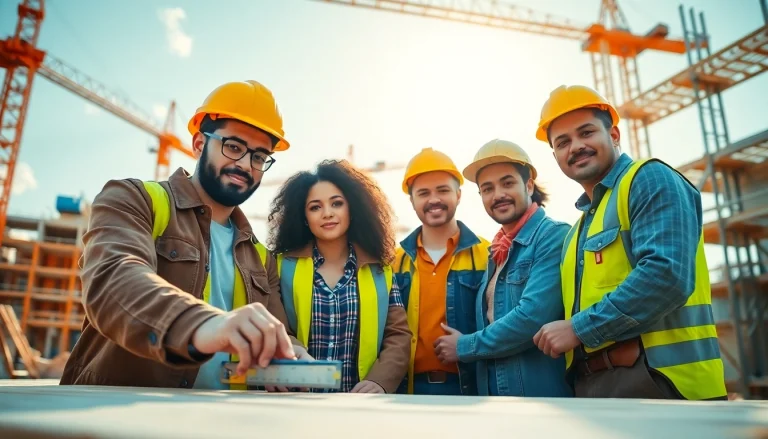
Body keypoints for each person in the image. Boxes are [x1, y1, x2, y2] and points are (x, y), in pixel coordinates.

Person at [60, 80, 308, 390]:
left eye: (259, 157)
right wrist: (209, 324)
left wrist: (290, 352)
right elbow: (112, 280)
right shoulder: (135, 199)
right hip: (119, 418)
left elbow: (276, 330)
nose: (245, 165)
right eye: (234, 147)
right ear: (199, 144)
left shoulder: (260, 256)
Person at [532, 84, 727, 400]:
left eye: (586, 133)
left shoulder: (649, 178)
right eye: (563, 142)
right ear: (555, 156)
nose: (576, 146)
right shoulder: (577, 231)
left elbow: (666, 276)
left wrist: (577, 329)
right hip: (596, 387)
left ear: (615, 134)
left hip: (662, 384)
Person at [433, 139, 572, 397]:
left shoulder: (552, 236)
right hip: (498, 400)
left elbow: (531, 318)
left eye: (507, 183)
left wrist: (464, 346)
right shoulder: (497, 251)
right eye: (487, 189)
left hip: (540, 401)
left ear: (528, 185)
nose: (497, 195)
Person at [267, 159, 411, 394]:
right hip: (295, 400)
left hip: (358, 406)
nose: (327, 214)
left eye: (337, 203)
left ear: (352, 209)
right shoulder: (281, 266)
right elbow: (276, 328)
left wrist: (380, 381)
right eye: (315, 207)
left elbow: (398, 335)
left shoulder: (380, 271)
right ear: (304, 217)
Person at [393, 148, 489, 396]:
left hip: (471, 387)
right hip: (408, 389)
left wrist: (469, 345)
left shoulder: (488, 255)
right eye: (423, 193)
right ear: (412, 201)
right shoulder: (394, 262)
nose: (433, 199)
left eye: (443, 190)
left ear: (458, 195)